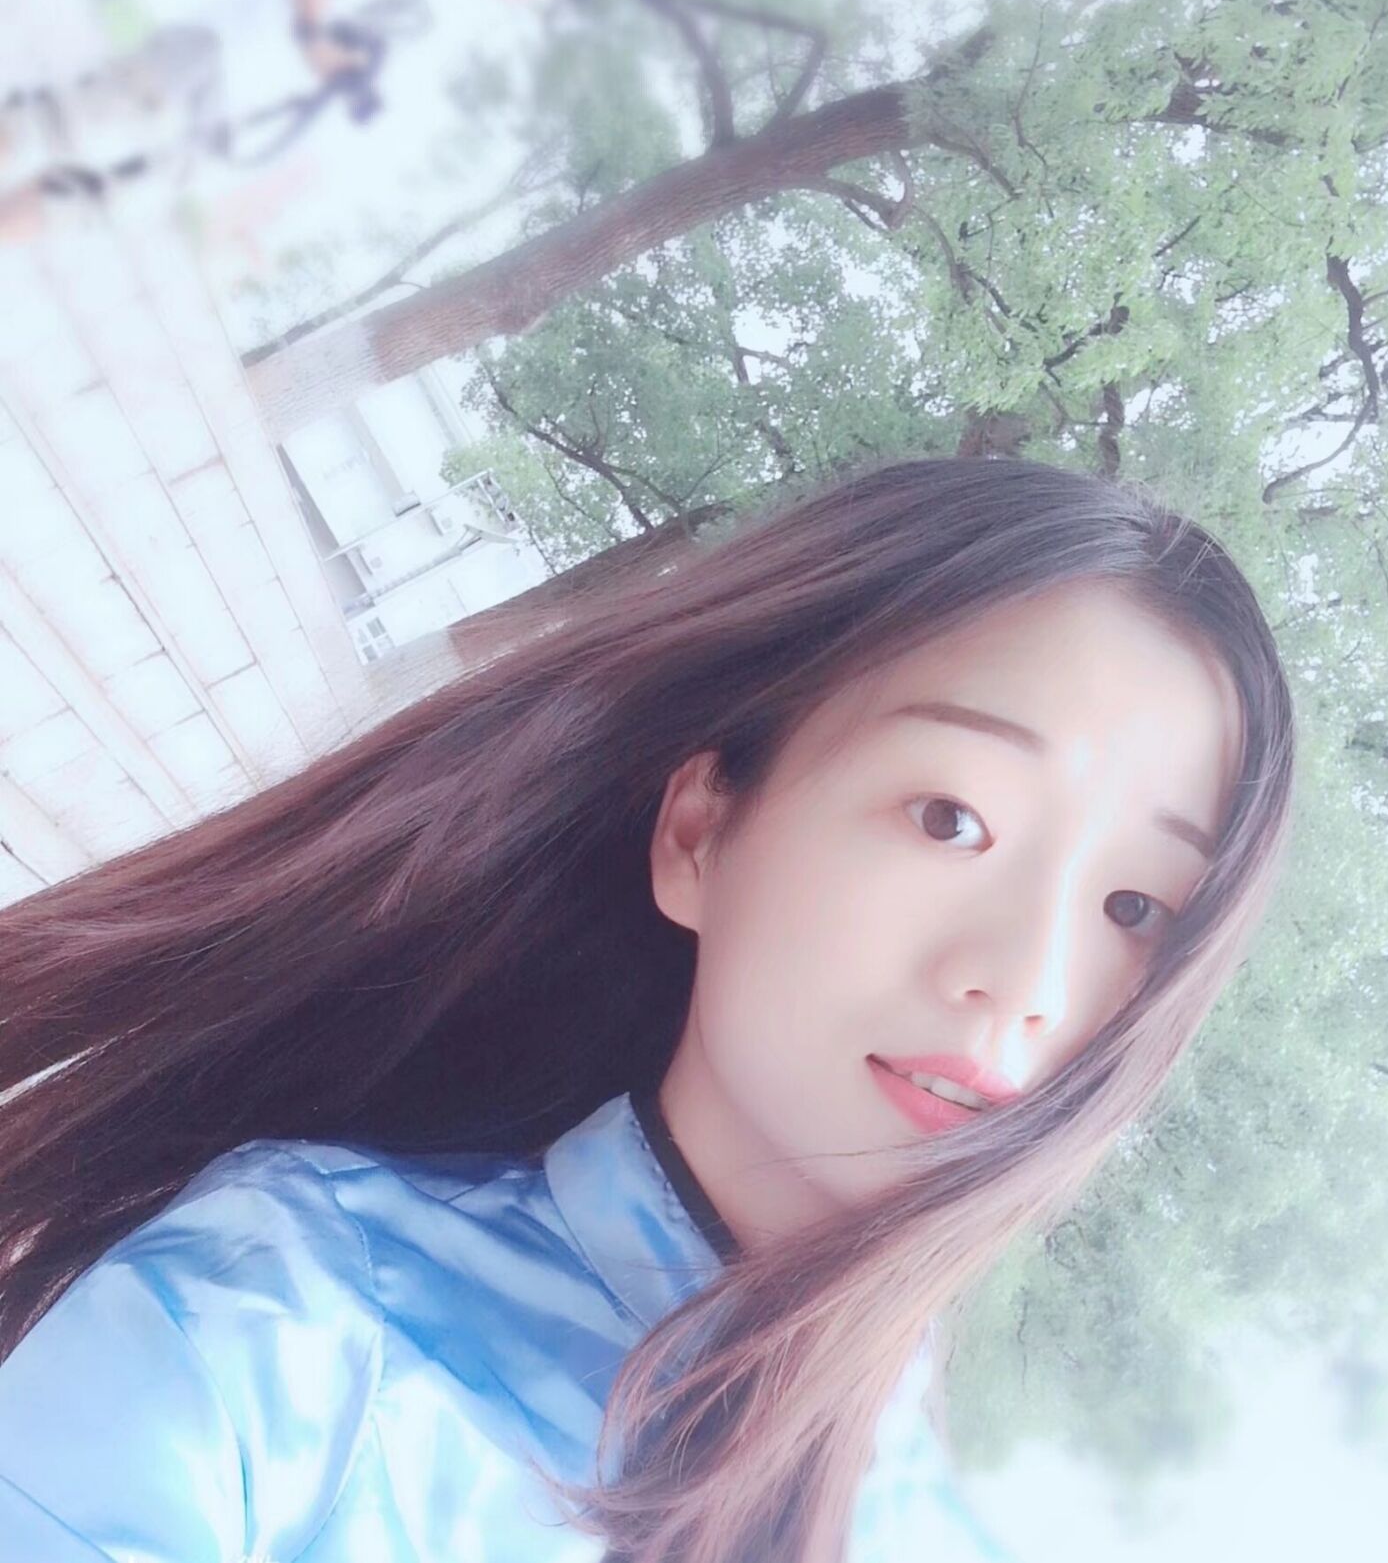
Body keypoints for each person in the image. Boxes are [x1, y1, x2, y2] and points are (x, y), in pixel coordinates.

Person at [0, 455, 1297, 1562]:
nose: (1025, 980)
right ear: (698, 833)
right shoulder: (283, 1331)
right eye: (949, 818)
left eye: (1135, 907)